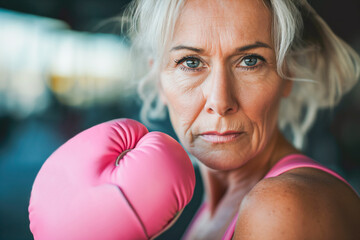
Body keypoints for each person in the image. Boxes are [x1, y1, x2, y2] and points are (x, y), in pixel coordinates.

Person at [122, 0, 360, 239]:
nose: (220, 101)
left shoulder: (281, 207)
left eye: (250, 61)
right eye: (191, 62)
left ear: (287, 74)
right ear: (159, 81)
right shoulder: (211, 211)